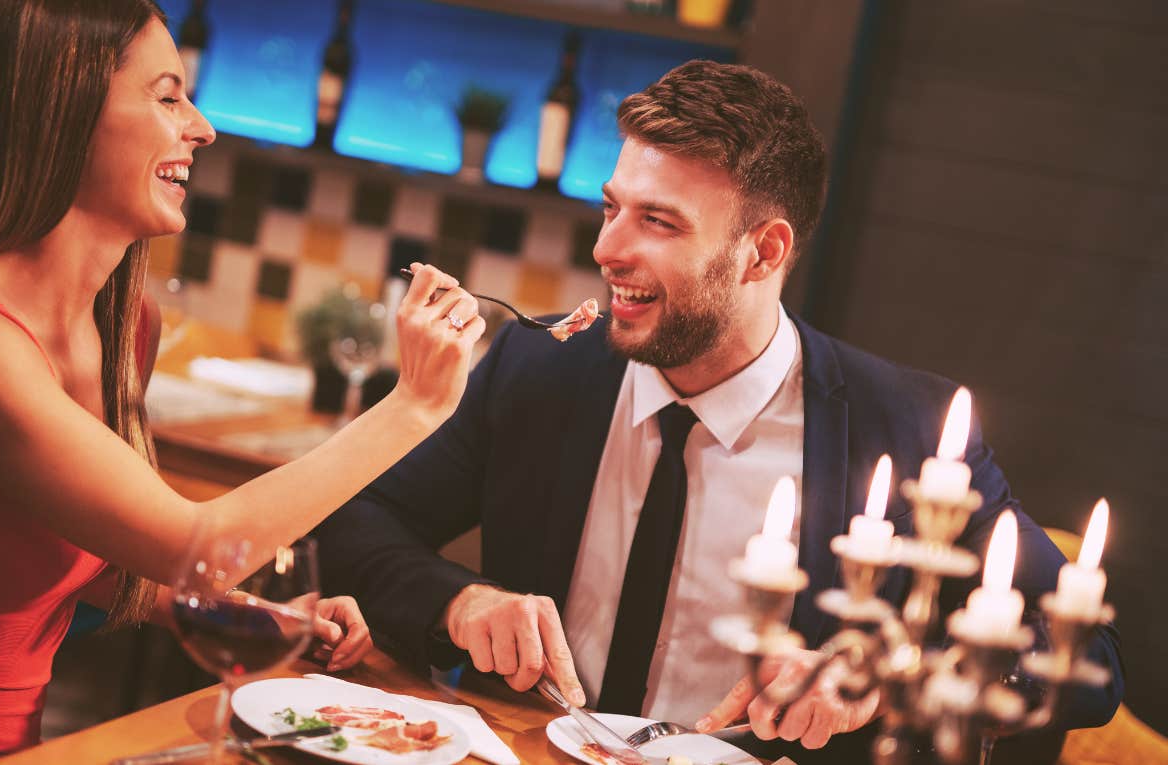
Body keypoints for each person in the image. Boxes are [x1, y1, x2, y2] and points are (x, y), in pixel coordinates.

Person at [314, 60, 1124, 762]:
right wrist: (461, 601)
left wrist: (879, 679)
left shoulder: (907, 426)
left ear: (763, 251)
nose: (606, 249)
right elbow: (355, 522)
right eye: (612, 207)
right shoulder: (540, 367)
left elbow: (1085, 661)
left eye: (657, 222)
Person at [0, 1, 484, 762]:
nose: (202, 127)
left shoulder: (127, 327)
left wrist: (259, 615)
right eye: (168, 97)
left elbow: (97, 556)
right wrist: (415, 407)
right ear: (60, 109)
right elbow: (198, 546)